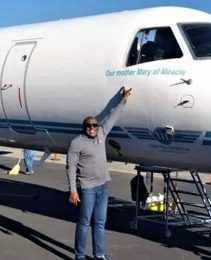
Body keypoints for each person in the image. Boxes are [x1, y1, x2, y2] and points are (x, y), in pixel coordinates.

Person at [67, 87, 132, 260]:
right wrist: (73, 190)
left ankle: (99, 255)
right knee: (84, 223)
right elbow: (71, 167)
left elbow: (112, 117)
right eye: (89, 126)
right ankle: (79, 255)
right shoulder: (76, 143)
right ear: (84, 128)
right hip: (87, 188)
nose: (92, 128)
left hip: (103, 186)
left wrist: (123, 100)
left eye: (94, 125)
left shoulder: (101, 133)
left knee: (101, 223)